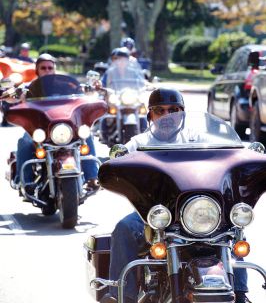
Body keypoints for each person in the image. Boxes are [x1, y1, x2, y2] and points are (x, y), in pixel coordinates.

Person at [100, 88, 250, 303]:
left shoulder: (199, 140)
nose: (167, 116)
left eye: (174, 110)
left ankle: (241, 293)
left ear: (183, 114)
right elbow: (117, 160)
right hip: (155, 216)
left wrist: (245, 154)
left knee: (233, 230)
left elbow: (228, 154)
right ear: (150, 115)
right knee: (124, 229)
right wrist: (115, 164)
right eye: (160, 110)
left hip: (198, 213)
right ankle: (121, 296)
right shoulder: (138, 143)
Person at [15, 53, 98, 193]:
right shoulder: (28, 87)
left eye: (50, 68)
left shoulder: (67, 85)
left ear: (54, 69)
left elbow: (81, 95)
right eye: (43, 68)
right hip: (40, 130)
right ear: (37, 70)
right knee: (24, 141)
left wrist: (90, 90)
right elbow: (13, 98)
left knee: (86, 136)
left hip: (64, 128)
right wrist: (14, 94)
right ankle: (25, 181)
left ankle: (92, 177)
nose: (47, 71)